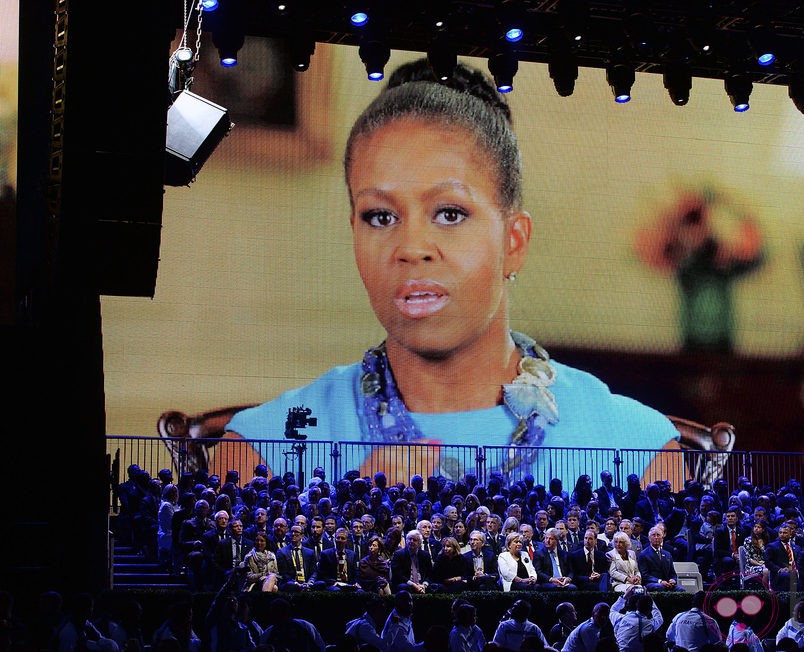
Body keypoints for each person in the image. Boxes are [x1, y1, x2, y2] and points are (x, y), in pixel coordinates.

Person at [222, 57, 681, 484]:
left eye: (449, 213)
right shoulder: (262, 451)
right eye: (380, 217)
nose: (412, 248)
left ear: (514, 242)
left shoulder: (639, 451)